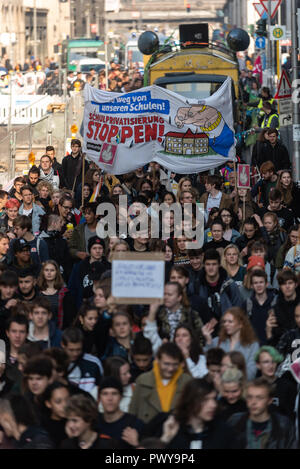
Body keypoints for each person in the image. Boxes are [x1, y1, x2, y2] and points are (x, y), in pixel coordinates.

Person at [147, 378, 239, 449]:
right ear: (190, 401)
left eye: (213, 399)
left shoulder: (223, 432)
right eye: (205, 400)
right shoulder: (167, 425)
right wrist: (165, 439)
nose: (213, 405)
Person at [129, 342, 191, 423]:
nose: (170, 369)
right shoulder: (142, 380)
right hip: (148, 432)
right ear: (157, 360)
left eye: (175, 364)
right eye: (166, 364)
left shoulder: (187, 382)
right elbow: (133, 412)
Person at [228, 378, 297, 449]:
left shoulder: (283, 425)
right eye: (249, 397)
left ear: (270, 400)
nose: (253, 402)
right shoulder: (235, 421)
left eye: (259, 398)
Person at [143, 282, 204, 351]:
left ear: (179, 297)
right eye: (164, 294)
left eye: (169, 294)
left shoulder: (191, 315)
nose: (166, 297)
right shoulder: (158, 315)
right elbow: (150, 335)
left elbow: (200, 337)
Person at [203, 306, 259, 380]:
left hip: (241, 386)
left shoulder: (252, 345)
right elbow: (206, 364)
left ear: (240, 324)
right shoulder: (217, 341)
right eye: (224, 321)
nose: (226, 324)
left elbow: (251, 373)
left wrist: (230, 377)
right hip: (218, 386)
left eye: (230, 321)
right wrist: (209, 342)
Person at [194, 249, 243, 321]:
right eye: (208, 264)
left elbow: (238, 311)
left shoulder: (230, 285)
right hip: (204, 328)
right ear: (203, 265)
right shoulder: (196, 286)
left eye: (214, 264)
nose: (211, 268)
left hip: (227, 327)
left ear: (219, 265)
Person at [98, 377, 144, 448]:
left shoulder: (134, 424)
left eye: (114, 393)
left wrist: (136, 444)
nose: (110, 398)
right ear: (99, 398)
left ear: (121, 397)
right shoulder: (94, 423)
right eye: (105, 394)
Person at [61, 327, 103, 400]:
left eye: (78, 349)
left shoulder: (94, 363)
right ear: (63, 345)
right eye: (71, 350)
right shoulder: (55, 363)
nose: (75, 353)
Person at [68, 236, 110, 308]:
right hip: (82, 306)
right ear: (89, 250)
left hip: (104, 306)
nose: (97, 251)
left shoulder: (109, 267)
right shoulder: (79, 267)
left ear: (103, 250)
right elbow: (72, 288)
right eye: (94, 248)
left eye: (100, 248)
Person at [37, 260, 76, 329]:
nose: (49, 273)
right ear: (43, 272)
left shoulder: (65, 293)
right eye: (46, 270)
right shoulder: (37, 292)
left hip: (60, 330)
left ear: (56, 273)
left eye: (52, 270)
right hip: (40, 329)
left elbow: (69, 317)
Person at [266, 270, 300, 346]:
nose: (287, 286)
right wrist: (269, 331)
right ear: (280, 286)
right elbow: (274, 339)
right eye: (284, 284)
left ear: (296, 284)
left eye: (290, 283)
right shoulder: (276, 309)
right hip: (283, 351)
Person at [243, 270, 277, 345]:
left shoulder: (275, 303)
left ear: (266, 284)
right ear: (252, 285)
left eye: (261, 282)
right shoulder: (247, 304)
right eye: (255, 283)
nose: (259, 285)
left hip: (271, 347)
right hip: (252, 348)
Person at [41, 381, 70, 448]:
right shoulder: (43, 429)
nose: (64, 405)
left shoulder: (78, 422)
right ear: (48, 404)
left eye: (67, 400)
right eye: (58, 402)